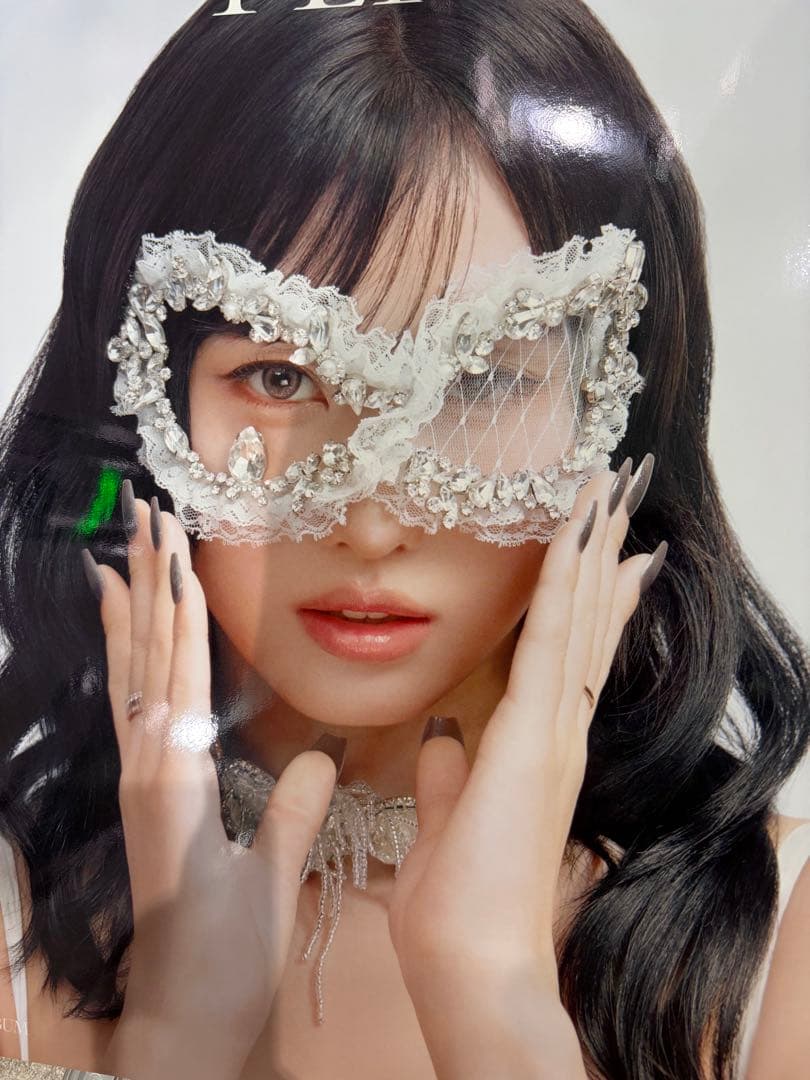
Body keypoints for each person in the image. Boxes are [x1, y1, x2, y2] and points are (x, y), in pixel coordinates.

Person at [0, 2, 808, 1078]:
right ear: (142, 404)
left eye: (479, 380)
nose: (373, 523)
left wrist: (496, 1005)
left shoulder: (785, 949)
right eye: (279, 375)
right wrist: (175, 1043)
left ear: (617, 410)